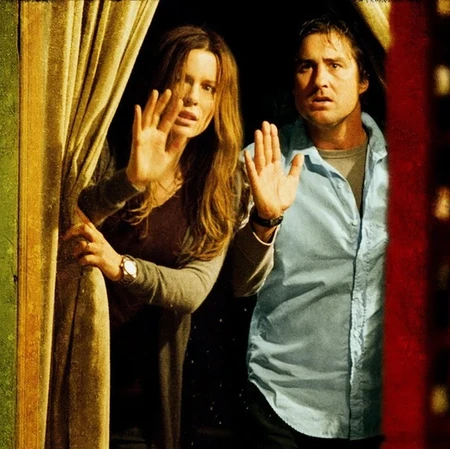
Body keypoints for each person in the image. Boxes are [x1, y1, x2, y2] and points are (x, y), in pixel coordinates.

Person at [63, 25, 246, 449]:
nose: (193, 98)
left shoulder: (221, 180)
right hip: (74, 367)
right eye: (183, 80)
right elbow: (69, 222)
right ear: (162, 80)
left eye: (208, 87)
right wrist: (130, 181)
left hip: (142, 394)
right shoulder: (109, 145)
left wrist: (120, 267)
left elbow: (194, 288)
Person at [231, 15, 388, 449]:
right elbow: (240, 284)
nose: (320, 80)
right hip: (284, 406)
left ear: (363, 80)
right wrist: (265, 219)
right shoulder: (262, 161)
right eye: (307, 66)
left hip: (384, 410)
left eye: (335, 65)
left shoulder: (409, 166)